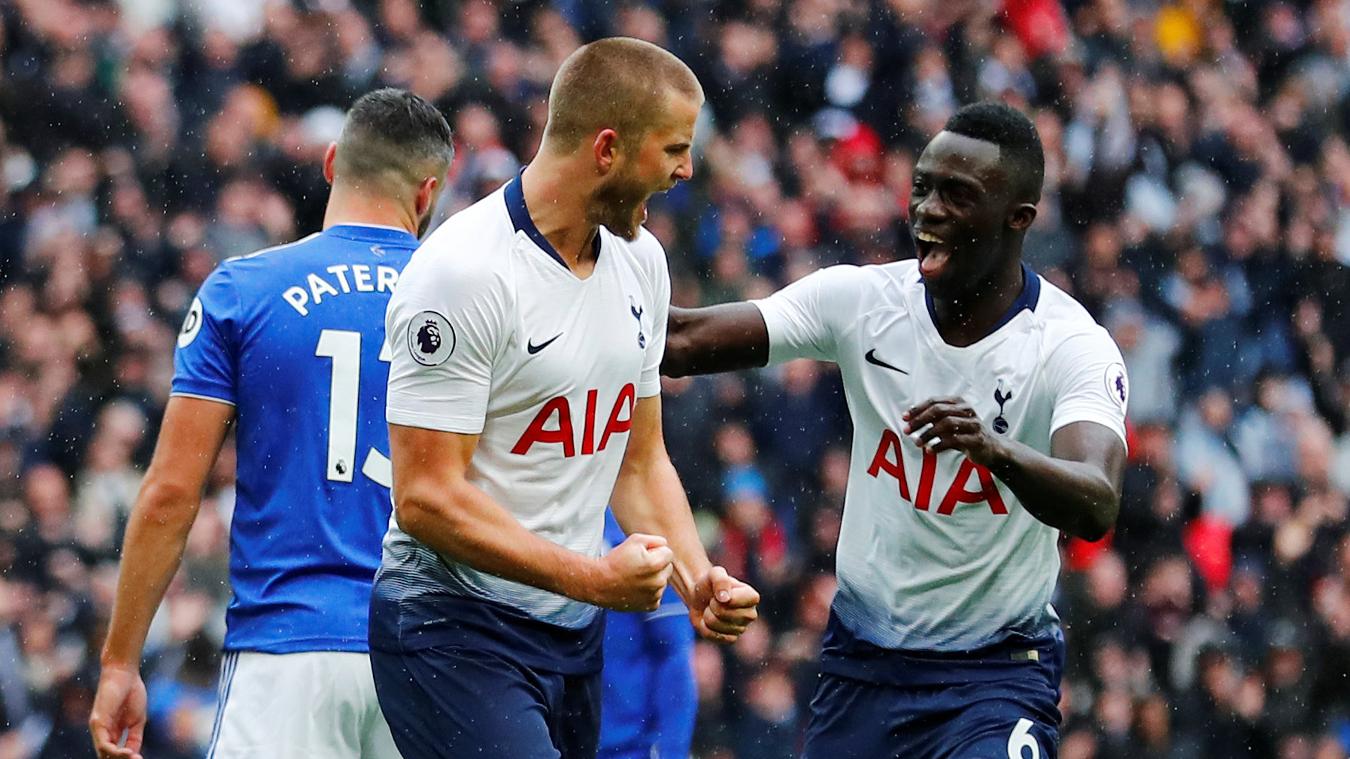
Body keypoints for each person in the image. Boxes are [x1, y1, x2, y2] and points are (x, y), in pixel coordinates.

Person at [663, 102, 1130, 758]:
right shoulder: (862, 302)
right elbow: (681, 341)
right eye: (922, 188)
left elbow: (1096, 499)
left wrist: (991, 448)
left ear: (1017, 219)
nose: (928, 208)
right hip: (864, 667)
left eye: (957, 195)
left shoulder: (1071, 346)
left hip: (994, 675)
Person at [370, 37, 760, 759]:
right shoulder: (463, 273)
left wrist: (694, 574)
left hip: (574, 631)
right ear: (607, 148)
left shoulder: (642, 261)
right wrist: (593, 577)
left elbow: (637, 463)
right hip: (452, 624)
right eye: (673, 148)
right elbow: (424, 496)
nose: (687, 169)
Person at [88, 88, 454, 759]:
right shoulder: (470, 303)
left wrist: (120, 661)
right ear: (427, 192)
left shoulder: (244, 288)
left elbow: (171, 491)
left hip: (287, 653)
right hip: (432, 659)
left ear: (332, 162)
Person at [597, 510, 697, 759]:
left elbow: (675, 656)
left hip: (628, 750)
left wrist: (671, 752)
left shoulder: (639, 538)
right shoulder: (534, 532)